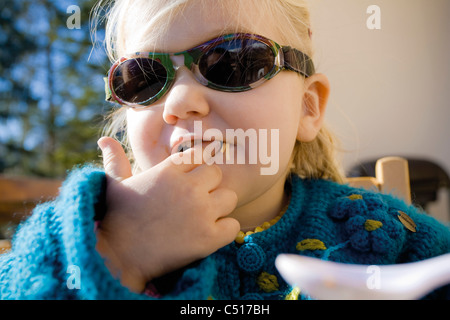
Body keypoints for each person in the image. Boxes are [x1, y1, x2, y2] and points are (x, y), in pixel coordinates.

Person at [0, 0, 449, 300]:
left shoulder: (386, 237)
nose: (178, 103)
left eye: (233, 60)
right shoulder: (89, 233)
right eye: (144, 78)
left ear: (308, 108)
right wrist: (117, 252)